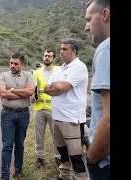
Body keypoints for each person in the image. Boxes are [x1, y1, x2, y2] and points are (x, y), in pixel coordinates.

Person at [44, 39, 89, 180]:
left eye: (64, 49)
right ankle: (64, 177)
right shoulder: (60, 68)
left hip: (72, 120)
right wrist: (57, 88)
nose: (61, 52)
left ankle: (81, 178)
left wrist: (57, 87)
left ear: (73, 52)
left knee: (75, 156)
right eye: (60, 49)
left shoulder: (79, 67)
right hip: (57, 117)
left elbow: (59, 87)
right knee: (63, 153)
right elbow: (47, 88)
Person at [0, 53, 36, 180]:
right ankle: (5, 176)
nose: (12, 66)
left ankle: (18, 172)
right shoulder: (3, 75)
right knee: (7, 145)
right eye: (11, 63)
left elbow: (30, 92)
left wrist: (12, 90)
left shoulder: (28, 75)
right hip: (7, 114)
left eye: (15, 64)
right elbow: (2, 93)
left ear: (22, 64)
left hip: (23, 114)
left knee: (20, 144)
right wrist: (22, 92)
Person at [85, 0, 110, 179]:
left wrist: (92, 156)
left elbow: (109, 119)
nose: (87, 27)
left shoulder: (105, 50)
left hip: (104, 160)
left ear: (105, 15)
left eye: (89, 19)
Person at [31, 49, 61, 169]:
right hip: (39, 108)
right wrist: (32, 97)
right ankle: (40, 158)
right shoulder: (36, 72)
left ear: (53, 58)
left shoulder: (59, 71)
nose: (46, 58)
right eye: (45, 56)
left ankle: (58, 158)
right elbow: (33, 89)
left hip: (54, 108)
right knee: (38, 135)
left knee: (56, 135)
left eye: (49, 56)